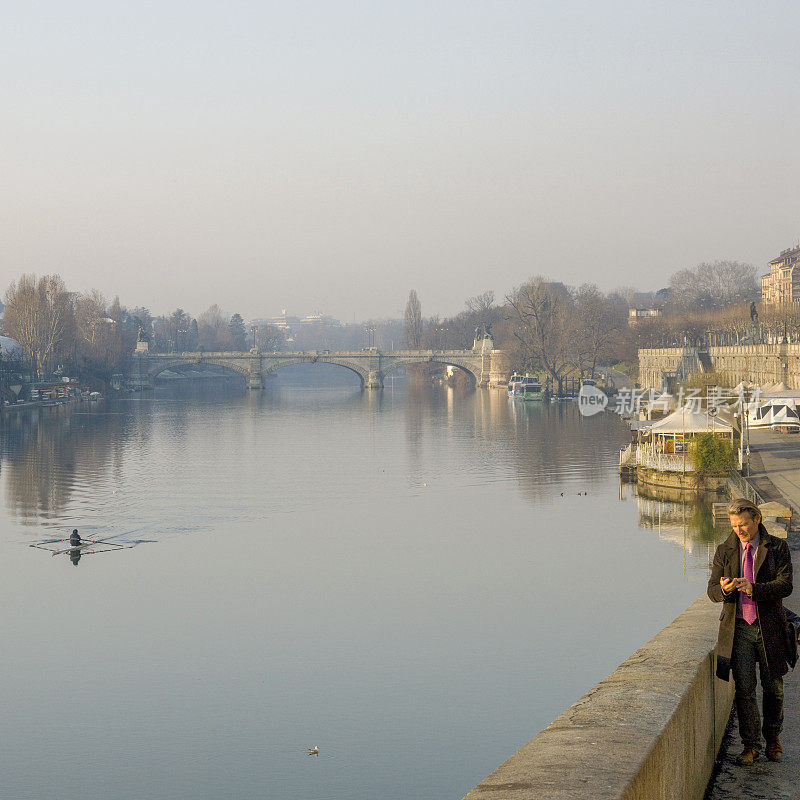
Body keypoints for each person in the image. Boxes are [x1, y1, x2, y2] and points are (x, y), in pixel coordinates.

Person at [708, 498, 793, 765]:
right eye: (734, 525)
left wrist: (754, 589)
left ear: (757, 519)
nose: (739, 530)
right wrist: (724, 589)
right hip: (739, 629)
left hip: (770, 627)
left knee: (774, 688)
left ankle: (773, 740)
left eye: (743, 524)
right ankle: (751, 746)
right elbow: (711, 590)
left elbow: (786, 585)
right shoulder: (725, 550)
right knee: (744, 689)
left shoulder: (777, 547)